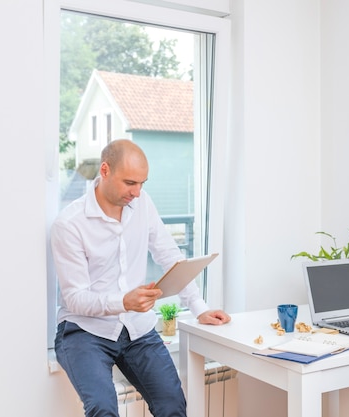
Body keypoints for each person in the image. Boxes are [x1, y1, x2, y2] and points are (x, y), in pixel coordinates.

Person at [51, 139, 231, 417]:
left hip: (136, 328)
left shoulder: (142, 203)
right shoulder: (69, 224)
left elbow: (169, 255)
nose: (137, 192)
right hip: (84, 331)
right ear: (105, 170)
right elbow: (75, 299)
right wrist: (123, 301)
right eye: (130, 183)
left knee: (173, 404)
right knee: (102, 408)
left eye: (142, 183)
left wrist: (200, 308)